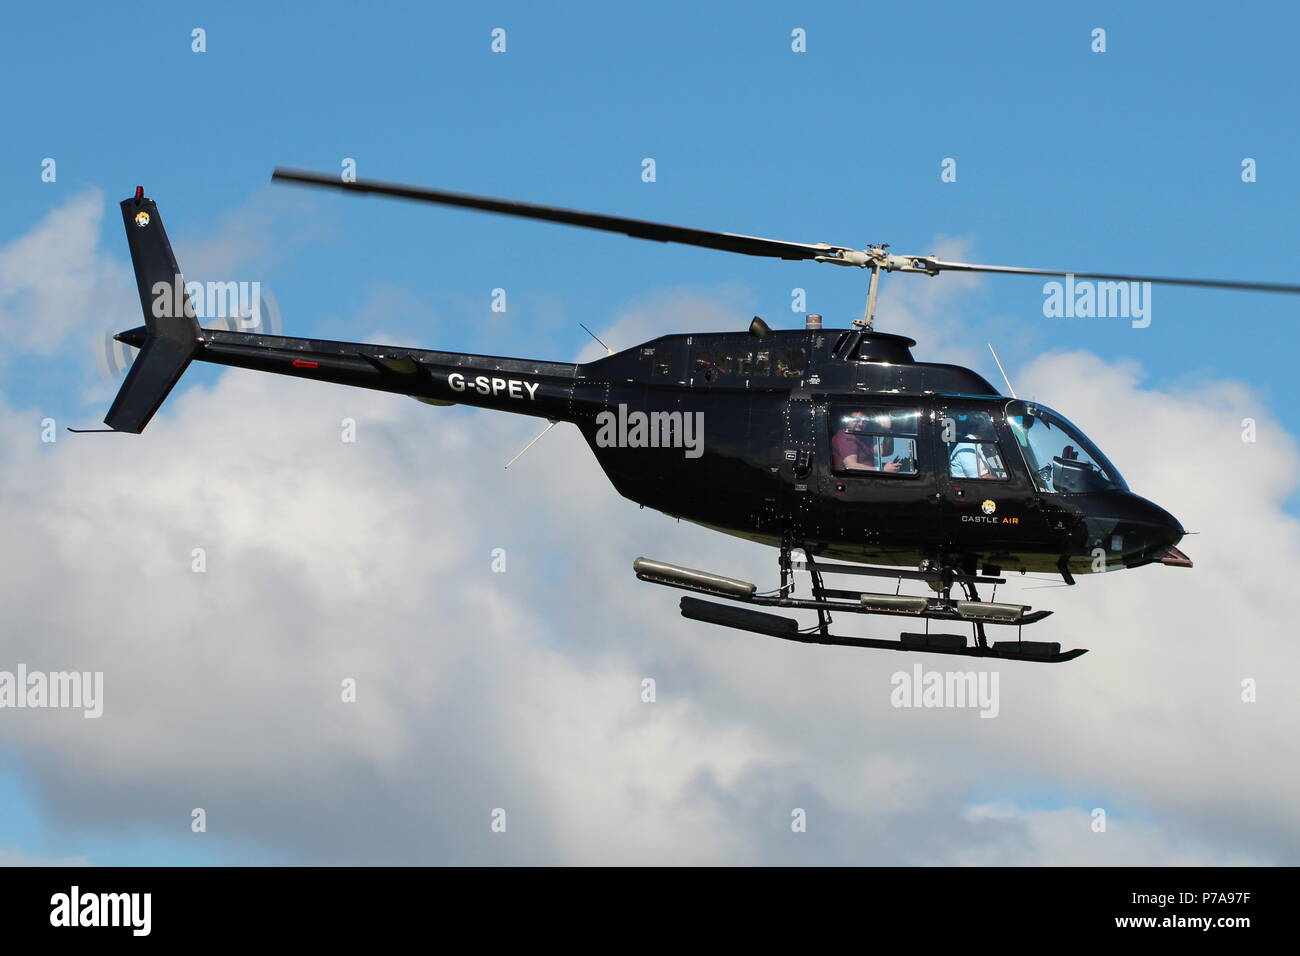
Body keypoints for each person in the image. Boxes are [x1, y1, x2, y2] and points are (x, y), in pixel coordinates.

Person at [832, 411, 902, 472]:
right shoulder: (846, 436)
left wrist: (888, 431)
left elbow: (886, 451)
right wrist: (882, 470)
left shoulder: (860, 438)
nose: (861, 424)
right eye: (857, 420)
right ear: (847, 420)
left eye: (864, 422)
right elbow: (851, 466)